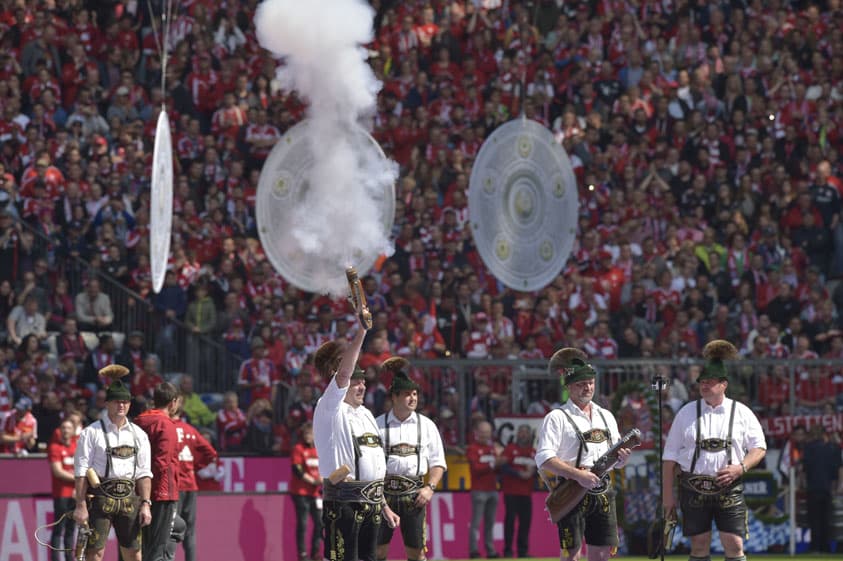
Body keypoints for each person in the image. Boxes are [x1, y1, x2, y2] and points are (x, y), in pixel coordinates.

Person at [662, 340, 767, 561]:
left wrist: (741, 468)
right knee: (699, 546)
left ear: (724, 384)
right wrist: (668, 497)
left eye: (710, 382)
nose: (704, 386)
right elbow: (669, 458)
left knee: (734, 543)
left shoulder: (742, 412)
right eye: (702, 382)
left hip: (729, 487)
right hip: (693, 487)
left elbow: (759, 447)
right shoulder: (685, 412)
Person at [534, 348, 631, 561]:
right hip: (571, 489)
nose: (587, 387)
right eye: (581, 383)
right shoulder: (557, 417)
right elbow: (543, 458)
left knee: (604, 553)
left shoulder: (606, 416)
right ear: (568, 387)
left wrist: (622, 459)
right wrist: (577, 474)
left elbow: (615, 460)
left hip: (603, 489)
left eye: (590, 382)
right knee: (572, 554)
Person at [312, 330, 401, 561]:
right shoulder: (330, 407)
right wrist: (362, 332)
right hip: (343, 501)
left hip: (371, 502)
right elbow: (342, 374)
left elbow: (375, 465)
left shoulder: (366, 415)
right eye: (356, 382)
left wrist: (384, 507)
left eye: (363, 382)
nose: (361, 386)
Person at [72, 365, 153, 561]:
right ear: (107, 403)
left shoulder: (139, 435)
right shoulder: (91, 432)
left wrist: (145, 504)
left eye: (125, 402)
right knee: (95, 552)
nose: (122, 406)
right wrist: (81, 504)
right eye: (117, 402)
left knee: (134, 553)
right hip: (100, 499)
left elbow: (144, 472)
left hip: (129, 499)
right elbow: (81, 471)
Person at [375, 357, 447, 561]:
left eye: (414, 394)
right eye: (407, 394)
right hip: (383, 495)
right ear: (394, 397)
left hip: (414, 495)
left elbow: (438, 463)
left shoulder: (427, 425)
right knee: (378, 551)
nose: (412, 398)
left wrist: (429, 488)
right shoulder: (377, 425)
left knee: (416, 553)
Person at [134, 382, 182, 561]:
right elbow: (162, 462)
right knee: (156, 549)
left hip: (141, 490)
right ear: (173, 402)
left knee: (178, 527)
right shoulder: (166, 425)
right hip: (163, 492)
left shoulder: (138, 421)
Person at [171, 394, 218, 561]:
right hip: (191, 485)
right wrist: (195, 465)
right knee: (190, 532)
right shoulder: (190, 430)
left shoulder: (165, 429)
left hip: (174, 487)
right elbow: (211, 453)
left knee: (171, 530)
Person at [466, 420, 504, 559]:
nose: (485, 435)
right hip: (479, 490)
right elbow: (476, 469)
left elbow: (496, 468)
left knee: (490, 523)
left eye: (487, 432)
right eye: (483, 432)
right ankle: (473, 550)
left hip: (493, 489)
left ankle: (490, 550)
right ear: (476, 433)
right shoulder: (472, 449)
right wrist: (494, 463)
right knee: (476, 523)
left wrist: (499, 462)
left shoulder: (492, 448)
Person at [801, 425, 842, 553]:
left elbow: (803, 469)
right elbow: (840, 469)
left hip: (813, 488)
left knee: (814, 520)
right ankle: (826, 547)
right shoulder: (833, 448)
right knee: (826, 519)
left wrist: (802, 484)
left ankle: (815, 547)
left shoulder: (808, 448)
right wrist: (840, 486)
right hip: (828, 489)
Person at [500, 424, 536, 559]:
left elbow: (539, 469)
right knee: (510, 521)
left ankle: (523, 551)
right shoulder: (510, 449)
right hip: (511, 491)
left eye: (526, 432)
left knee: (525, 522)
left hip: (526, 492)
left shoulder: (533, 452)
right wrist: (519, 473)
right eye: (521, 432)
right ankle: (508, 551)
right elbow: (503, 467)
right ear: (517, 435)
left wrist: (533, 472)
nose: (523, 435)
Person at [290, 421, 322, 561]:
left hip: (315, 493)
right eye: (306, 433)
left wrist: (321, 478)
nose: (308, 436)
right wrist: (312, 480)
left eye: (310, 433)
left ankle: (315, 552)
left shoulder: (318, 450)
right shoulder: (298, 448)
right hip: (300, 492)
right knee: (303, 523)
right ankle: (302, 554)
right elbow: (297, 469)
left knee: (320, 523)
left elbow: (324, 469)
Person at [47, 417, 77, 561]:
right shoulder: (55, 447)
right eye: (63, 428)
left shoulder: (76, 446)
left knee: (71, 528)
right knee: (59, 528)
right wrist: (79, 479)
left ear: (73, 431)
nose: (66, 430)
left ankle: (69, 558)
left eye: (69, 428)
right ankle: (55, 558)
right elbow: (57, 471)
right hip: (61, 494)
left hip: (75, 494)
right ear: (59, 430)